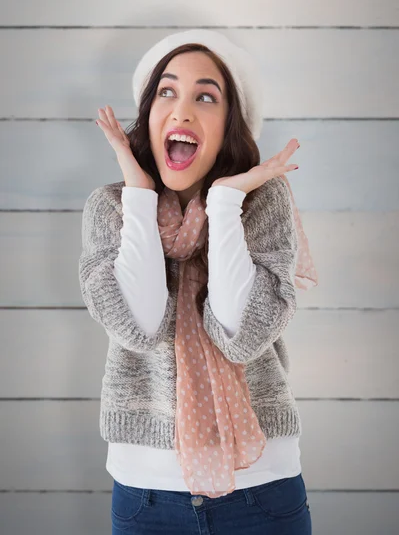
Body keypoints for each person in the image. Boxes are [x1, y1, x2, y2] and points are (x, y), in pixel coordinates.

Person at [79, 29, 318, 534]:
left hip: (263, 488)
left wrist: (226, 203)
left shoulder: (261, 202)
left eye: (205, 97)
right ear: (147, 114)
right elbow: (138, 326)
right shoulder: (111, 208)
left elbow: (242, 334)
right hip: (146, 493)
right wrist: (140, 197)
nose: (182, 111)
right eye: (167, 91)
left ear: (230, 123)